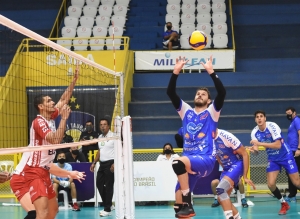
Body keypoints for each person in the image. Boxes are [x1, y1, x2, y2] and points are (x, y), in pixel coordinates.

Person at [167, 55, 226, 218]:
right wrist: (176, 72)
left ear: (209, 101)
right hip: (190, 161)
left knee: (177, 162)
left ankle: (189, 203)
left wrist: (211, 72)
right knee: (177, 202)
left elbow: (222, 92)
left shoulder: (212, 112)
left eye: (203, 95)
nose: (200, 95)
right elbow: (170, 92)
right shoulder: (186, 111)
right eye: (198, 94)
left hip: (205, 158)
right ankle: (184, 206)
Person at [22, 67, 79, 219]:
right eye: (48, 101)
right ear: (41, 106)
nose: (53, 101)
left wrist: (74, 81)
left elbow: (63, 99)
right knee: (42, 213)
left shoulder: (51, 117)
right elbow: (55, 140)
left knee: (53, 211)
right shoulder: (38, 122)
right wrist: (65, 119)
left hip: (45, 170)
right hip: (34, 171)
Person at [249, 110, 300, 215]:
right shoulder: (254, 132)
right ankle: (284, 204)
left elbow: (278, 145)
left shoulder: (272, 126)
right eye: (257, 117)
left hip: (286, 155)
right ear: (255, 120)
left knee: (296, 183)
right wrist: (253, 150)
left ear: (265, 118)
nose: (259, 118)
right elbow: (257, 151)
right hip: (272, 158)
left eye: (261, 116)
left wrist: (259, 143)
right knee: (271, 184)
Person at [10, 151, 85, 219]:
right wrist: (69, 173)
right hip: (22, 179)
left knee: (53, 210)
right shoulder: (38, 146)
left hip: (41, 176)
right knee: (36, 213)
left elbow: (48, 166)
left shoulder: (51, 148)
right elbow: (49, 167)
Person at [213, 128, 255, 219]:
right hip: (227, 169)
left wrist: (245, 176)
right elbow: (218, 157)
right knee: (221, 199)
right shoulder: (208, 140)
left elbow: (244, 153)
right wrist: (225, 169)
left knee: (220, 189)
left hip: (237, 164)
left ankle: (229, 217)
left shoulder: (225, 136)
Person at [90, 118, 115, 217]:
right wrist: (94, 162)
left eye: (105, 124)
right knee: (99, 184)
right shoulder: (100, 137)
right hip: (102, 163)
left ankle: (107, 209)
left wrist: (115, 163)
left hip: (111, 163)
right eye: (101, 124)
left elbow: (119, 150)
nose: (103, 126)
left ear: (108, 126)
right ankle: (108, 204)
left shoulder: (113, 136)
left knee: (109, 186)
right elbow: (100, 151)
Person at [284, 106, 300, 202]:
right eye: (287, 113)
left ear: (294, 113)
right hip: (291, 151)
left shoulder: (297, 120)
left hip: (296, 151)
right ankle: (292, 195)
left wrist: (299, 148)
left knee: (292, 172)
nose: (288, 115)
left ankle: (292, 194)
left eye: (289, 113)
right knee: (290, 172)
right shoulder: (292, 123)